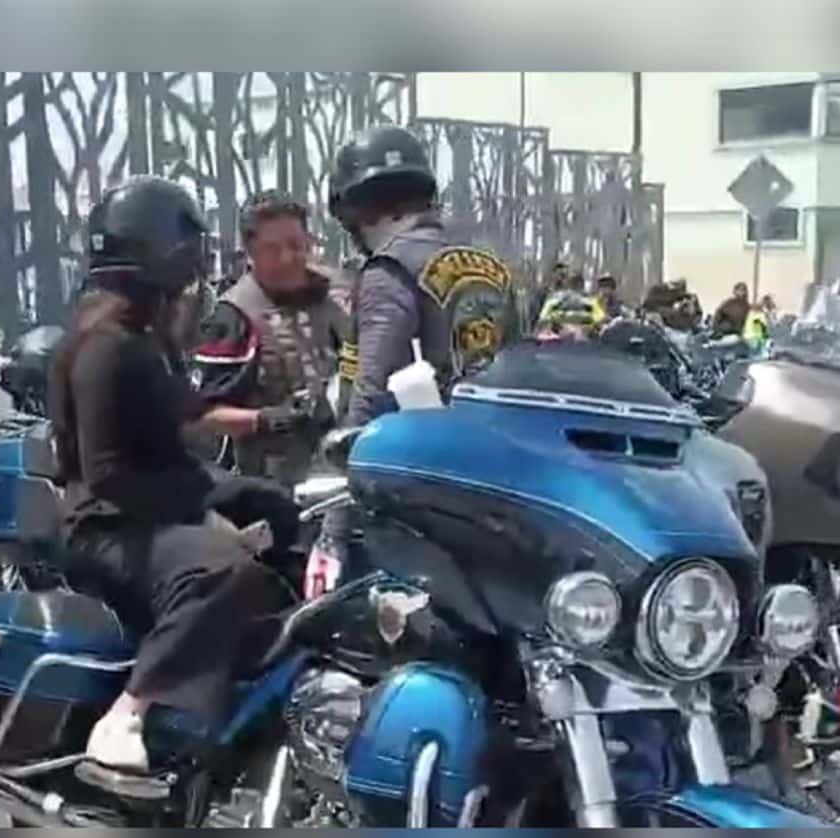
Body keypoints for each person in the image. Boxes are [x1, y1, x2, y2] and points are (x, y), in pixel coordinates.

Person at [51, 175, 298, 771]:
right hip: (104, 525)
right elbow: (108, 477)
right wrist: (203, 514)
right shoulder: (106, 347)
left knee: (279, 506)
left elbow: (187, 409)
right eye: (188, 253)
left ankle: (268, 676)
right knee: (218, 569)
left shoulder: (143, 339)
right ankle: (130, 713)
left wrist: (277, 420)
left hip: (149, 502)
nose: (195, 272)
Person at [310, 124, 516, 594]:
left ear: (354, 209)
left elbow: (370, 395)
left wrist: (332, 532)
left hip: (418, 492)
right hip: (493, 485)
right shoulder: (493, 267)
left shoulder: (390, 269)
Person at [191, 191, 348, 487]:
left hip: (347, 467)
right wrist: (267, 420)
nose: (287, 258)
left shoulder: (338, 294)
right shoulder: (235, 314)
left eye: (296, 245)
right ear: (250, 251)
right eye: (272, 249)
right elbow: (203, 414)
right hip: (279, 484)